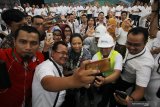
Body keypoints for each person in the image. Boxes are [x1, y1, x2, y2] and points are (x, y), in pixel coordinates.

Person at [32, 41, 99, 107]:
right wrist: (74, 80)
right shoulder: (45, 66)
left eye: (66, 54)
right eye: (62, 53)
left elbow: (61, 80)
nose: (65, 56)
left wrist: (84, 83)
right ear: (52, 53)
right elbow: (47, 83)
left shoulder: (58, 66)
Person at [0, 26, 44, 107]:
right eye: (23, 42)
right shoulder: (2, 56)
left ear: (39, 44)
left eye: (33, 43)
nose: (28, 47)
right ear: (14, 41)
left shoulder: (40, 57)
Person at [114, 27, 154, 107]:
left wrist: (130, 100)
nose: (131, 48)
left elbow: (140, 90)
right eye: (129, 43)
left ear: (145, 43)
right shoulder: (134, 45)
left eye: (136, 45)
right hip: (120, 75)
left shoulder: (145, 65)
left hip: (127, 84)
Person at [92, 34, 123, 107]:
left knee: (113, 99)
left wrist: (104, 81)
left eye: (106, 48)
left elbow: (117, 73)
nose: (103, 50)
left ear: (112, 47)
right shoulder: (96, 56)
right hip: (103, 79)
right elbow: (91, 71)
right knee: (105, 96)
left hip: (115, 81)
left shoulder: (117, 56)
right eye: (101, 47)